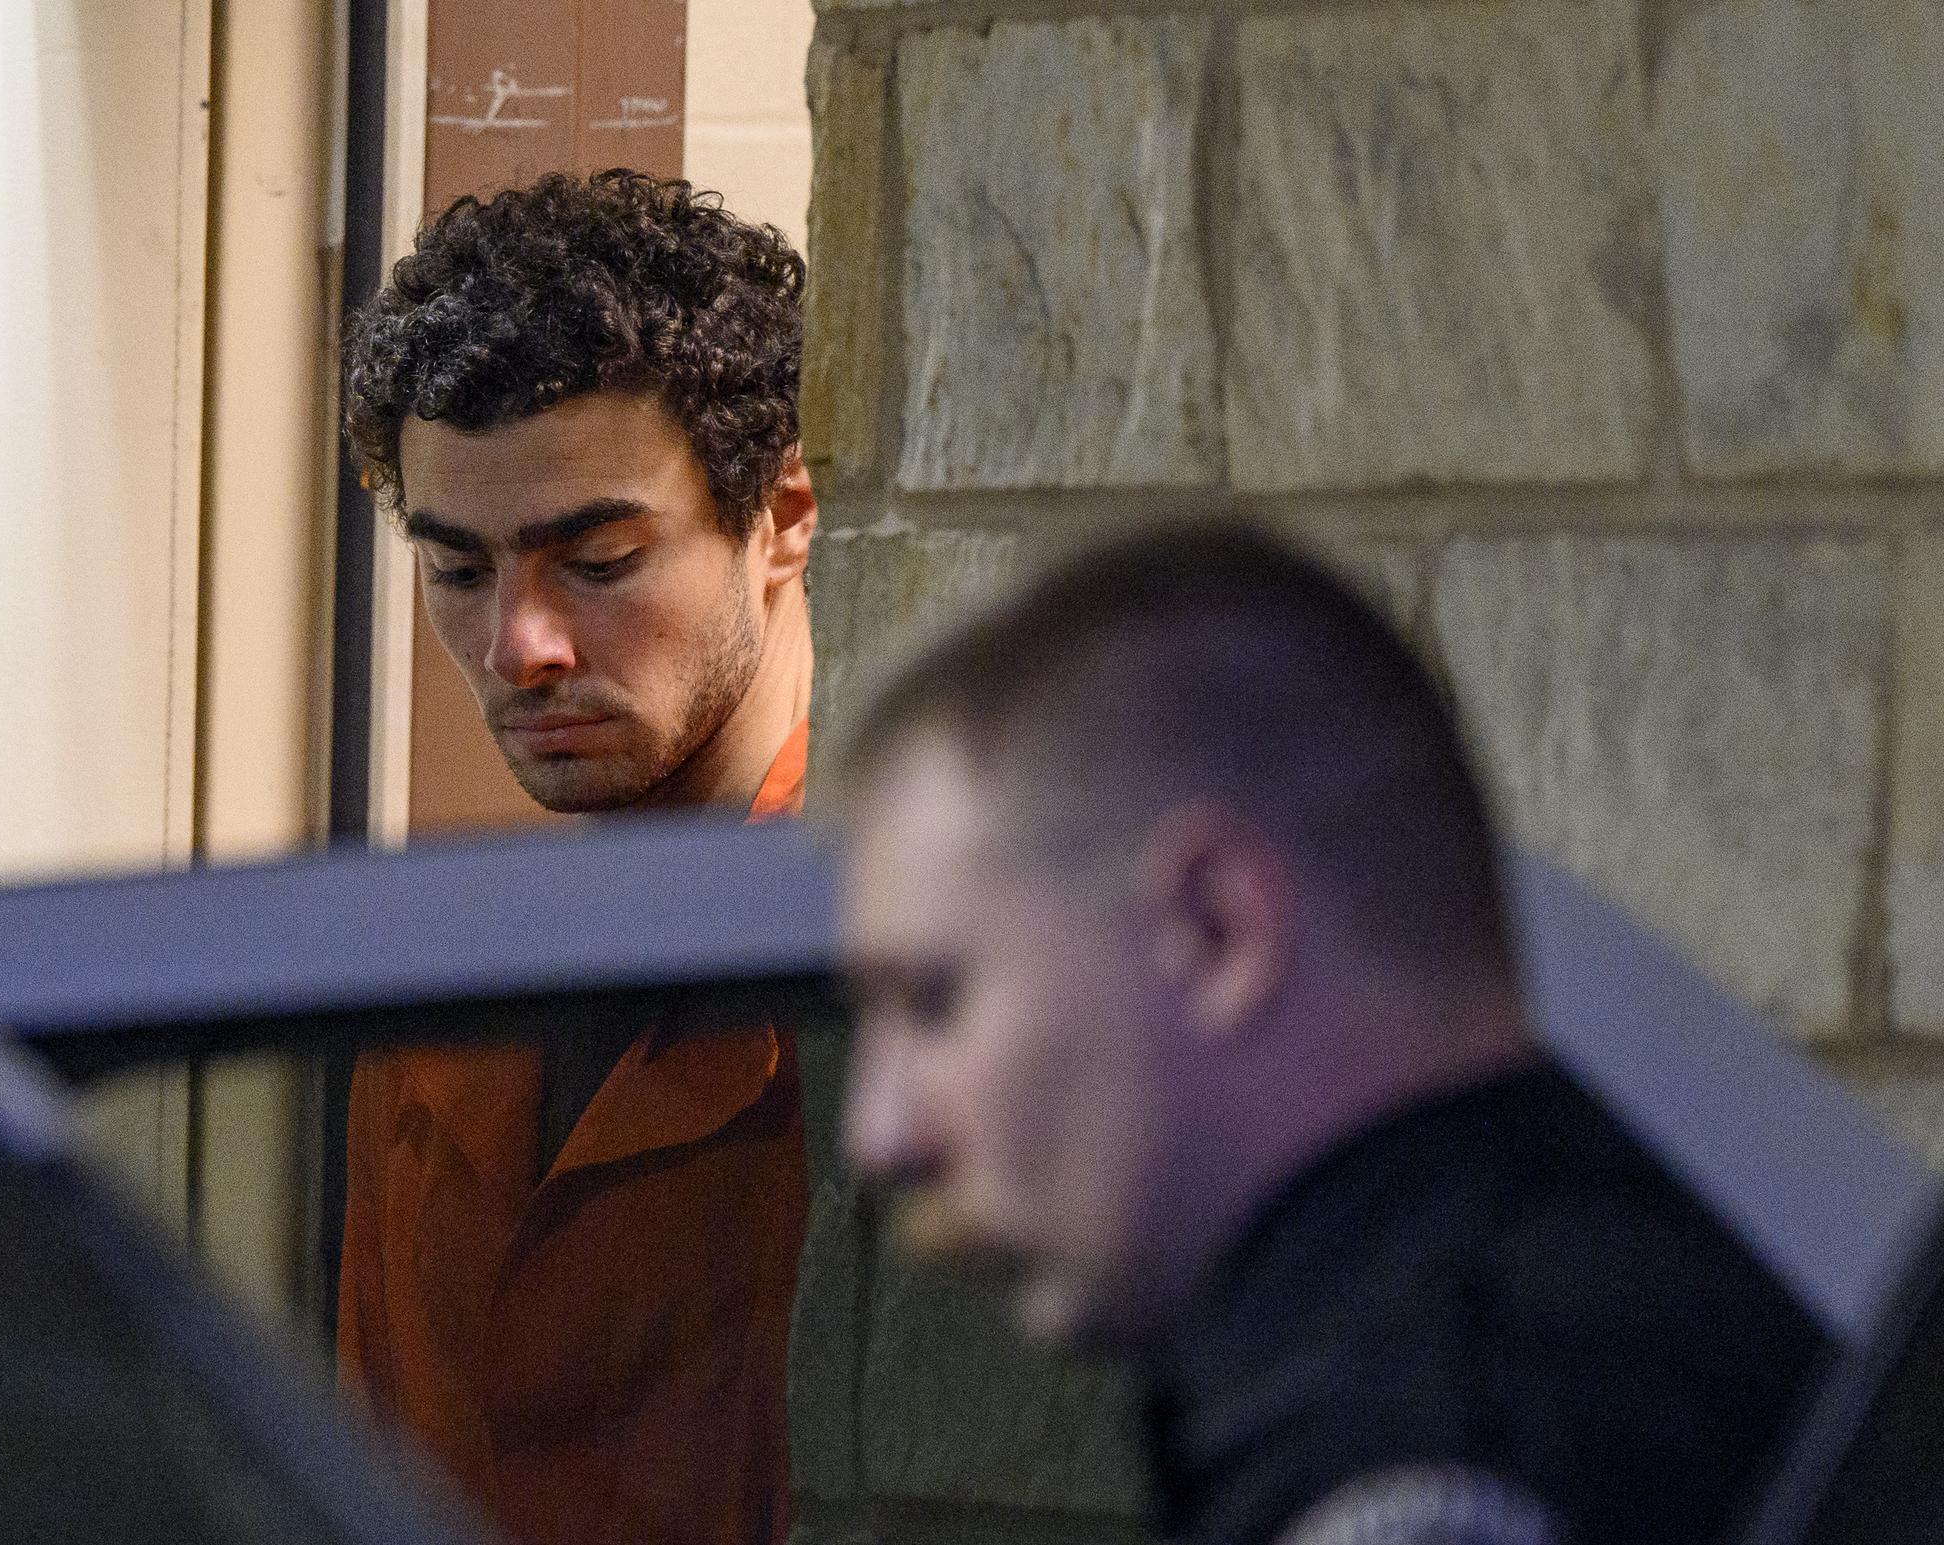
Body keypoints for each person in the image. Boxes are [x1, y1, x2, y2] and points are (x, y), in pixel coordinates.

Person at [833, 523, 1832, 1545]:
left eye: (933, 1001)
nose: (882, 1133)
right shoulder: (1622, 1321)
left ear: (1214, 928)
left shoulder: (1432, 1468)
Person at [335, 170, 816, 1545]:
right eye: (459, 571)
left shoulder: (890, 981)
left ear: (780, 519)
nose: (518, 648)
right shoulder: (436, 990)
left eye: (598, 561)